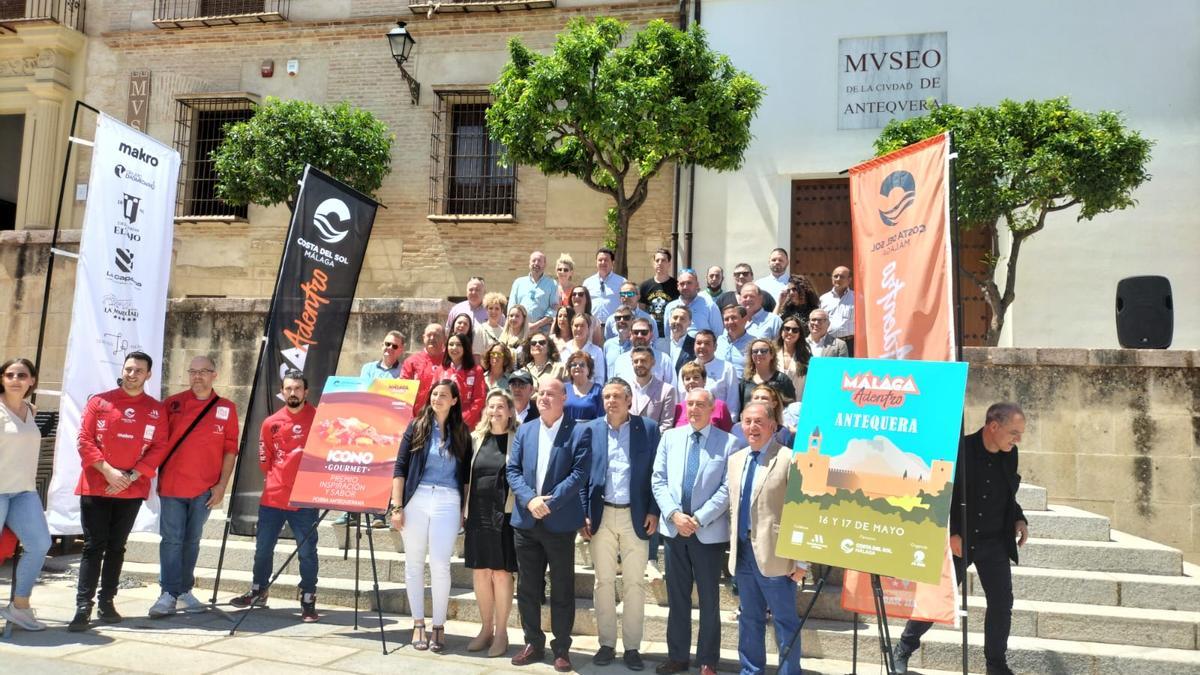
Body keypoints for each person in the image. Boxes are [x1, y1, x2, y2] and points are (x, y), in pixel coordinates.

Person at [893, 403, 1030, 675]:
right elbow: (942, 494)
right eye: (1014, 432)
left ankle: (996, 665)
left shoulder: (1010, 454)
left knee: (1002, 604)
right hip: (960, 540)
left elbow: (1008, 492)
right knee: (935, 598)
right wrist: (953, 531)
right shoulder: (960, 451)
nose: (1018, 439)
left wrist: (1019, 517)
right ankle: (903, 649)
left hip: (995, 542)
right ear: (993, 426)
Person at [70, 351, 169, 632]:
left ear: (148, 374)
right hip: (96, 484)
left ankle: (107, 601)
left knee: (116, 546)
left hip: (131, 488)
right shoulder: (100, 401)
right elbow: (84, 440)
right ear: (122, 370)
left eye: (139, 370)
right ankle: (82, 606)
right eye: (128, 369)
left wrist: (131, 475)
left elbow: (159, 447)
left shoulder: (156, 409)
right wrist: (109, 472)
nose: (132, 374)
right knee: (93, 546)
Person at [506, 377, 590, 671]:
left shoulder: (579, 432)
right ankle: (533, 642)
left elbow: (579, 474)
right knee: (528, 587)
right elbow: (513, 470)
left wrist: (549, 504)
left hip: (559, 523)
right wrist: (531, 500)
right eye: (540, 393)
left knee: (563, 588)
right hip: (526, 521)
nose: (543, 398)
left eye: (550, 393)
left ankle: (562, 648)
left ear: (564, 397)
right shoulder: (526, 430)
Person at [651, 388, 735, 675]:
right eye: (690, 404)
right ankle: (677, 656)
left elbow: (727, 489)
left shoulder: (729, 443)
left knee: (709, 599)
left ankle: (708, 660)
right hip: (675, 532)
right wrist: (675, 515)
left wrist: (697, 519)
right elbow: (658, 479)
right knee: (677, 597)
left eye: (701, 404)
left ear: (712, 408)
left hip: (707, 534)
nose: (695, 409)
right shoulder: (670, 438)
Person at [581, 378, 661, 670]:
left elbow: (656, 473)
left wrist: (653, 510)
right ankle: (606, 644)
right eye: (606, 397)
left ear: (629, 400)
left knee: (634, 584)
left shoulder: (648, 429)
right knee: (603, 582)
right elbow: (582, 475)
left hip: (635, 516)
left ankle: (632, 647)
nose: (611, 401)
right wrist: (583, 513)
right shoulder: (590, 429)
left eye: (616, 396)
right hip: (601, 516)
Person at [150, 356, 240, 618]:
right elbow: (156, 440)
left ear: (215, 375)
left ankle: (184, 590)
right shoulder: (173, 404)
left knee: (192, 541)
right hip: (173, 486)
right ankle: (168, 593)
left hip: (205, 489)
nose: (197, 376)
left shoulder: (227, 408)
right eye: (193, 371)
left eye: (204, 372)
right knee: (172, 540)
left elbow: (230, 450)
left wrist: (222, 486)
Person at [229, 371, 320, 623]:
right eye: (289, 388)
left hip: (304, 500)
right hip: (273, 499)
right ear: (283, 391)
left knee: (307, 553)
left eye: (298, 388)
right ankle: (259, 591)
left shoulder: (318, 418)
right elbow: (264, 459)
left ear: (306, 392)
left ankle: (308, 597)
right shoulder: (271, 422)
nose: (293, 393)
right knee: (263, 549)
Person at [391, 379, 472, 653]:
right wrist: (397, 506)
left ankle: (438, 625)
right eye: (434, 394)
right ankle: (418, 624)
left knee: (440, 563)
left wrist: (465, 509)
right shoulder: (416, 426)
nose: (437, 398)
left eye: (444, 395)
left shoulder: (462, 432)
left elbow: (466, 477)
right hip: (417, 499)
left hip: (448, 500)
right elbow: (400, 466)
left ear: (454, 401)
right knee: (414, 564)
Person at [727, 403, 808, 675]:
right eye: (747, 421)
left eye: (759, 421)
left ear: (773, 426)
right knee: (749, 621)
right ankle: (751, 671)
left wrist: (802, 561)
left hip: (776, 555)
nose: (753, 427)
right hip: (743, 555)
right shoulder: (736, 460)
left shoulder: (788, 458)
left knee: (785, 623)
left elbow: (800, 511)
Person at [465, 390, 520, 657]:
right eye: (491, 406)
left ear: (510, 411)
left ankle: (502, 633)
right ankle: (485, 629)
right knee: (480, 572)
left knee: (500, 573)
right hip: (478, 513)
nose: (495, 411)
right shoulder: (476, 439)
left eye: (501, 406)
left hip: (505, 514)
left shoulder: (517, 439)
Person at [0, 358, 52, 631]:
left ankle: (20, 607)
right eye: (10, 374)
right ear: (2, 379)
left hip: (23, 492)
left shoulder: (30, 409)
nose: (15, 379)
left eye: (22, 375)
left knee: (40, 544)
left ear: (32, 380)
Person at [691, 330, 741, 419]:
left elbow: (733, 403)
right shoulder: (686, 369)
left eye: (707, 343)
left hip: (718, 422)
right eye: (698, 343)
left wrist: (729, 424)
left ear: (715, 347)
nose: (702, 346)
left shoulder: (727, 368)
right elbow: (681, 399)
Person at [614, 318, 676, 389]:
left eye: (644, 332)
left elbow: (673, 388)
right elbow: (615, 388)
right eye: (636, 332)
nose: (639, 335)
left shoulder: (664, 360)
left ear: (651, 335)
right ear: (630, 335)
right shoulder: (620, 361)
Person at [672, 362, 733, 433]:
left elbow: (727, 435)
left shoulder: (719, 406)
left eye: (696, 377)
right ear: (683, 383)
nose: (691, 381)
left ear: (704, 380)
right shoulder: (678, 408)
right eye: (687, 379)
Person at [509, 251, 558, 334]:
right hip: (520, 330)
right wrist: (523, 325)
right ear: (529, 263)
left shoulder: (552, 283)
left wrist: (536, 325)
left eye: (539, 261)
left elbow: (554, 308)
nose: (536, 263)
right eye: (533, 260)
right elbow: (511, 307)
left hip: (542, 331)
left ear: (544, 264)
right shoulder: (518, 283)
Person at [401, 323, 447, 412]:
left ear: (444, 339)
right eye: (429, 335)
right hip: (418, 416)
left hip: (443, 416)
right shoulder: (411, 361)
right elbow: (404, 389)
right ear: (423, 338)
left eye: (436, 335)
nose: (432, 338)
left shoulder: (450, 361)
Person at [732, 385, 796, 449]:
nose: (759, 401)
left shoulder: (782, 433)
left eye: (764, 398)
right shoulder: (737, 429)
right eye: (756, 398)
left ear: (774, 404)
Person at [740, 339, 796, 411]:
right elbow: (741, 408)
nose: (759, 354)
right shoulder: (745, 380)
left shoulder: (783, 380)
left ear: (772, 355)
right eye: (755, 351)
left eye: (764, 351)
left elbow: (790, 409)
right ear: (751, 356)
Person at [663, 269, 722, 336]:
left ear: (697, 285)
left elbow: (719, 335)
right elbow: (667, 337)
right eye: (682, 283)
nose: (685, 287)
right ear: (677, 286)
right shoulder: (670, 307)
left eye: (689, 283)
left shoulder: (710, 306)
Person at [445, 332, 486, 428]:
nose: (454, 347)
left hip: (467, 425)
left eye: (459, 345)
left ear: (465, 348)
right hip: (444, 423)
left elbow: (479, 399)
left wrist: (463, 419)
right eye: (451, 344)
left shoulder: (476, 370)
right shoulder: (441, 369)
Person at [639, 248, 679, 336]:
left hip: (670, 333)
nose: (660, 263)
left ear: (669, 263)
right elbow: (641, 311)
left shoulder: (677, 286)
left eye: (663, 260)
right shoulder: (645, 286)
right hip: (650, 333)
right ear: (654, 263)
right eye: (657, 260)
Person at [583, 247, 627, 324]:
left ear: (612, 262)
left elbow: (627, 303)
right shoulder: (588, 283)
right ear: (596, 262)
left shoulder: (622, 282)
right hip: (593, 326)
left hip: (614, 325)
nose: (603, 262)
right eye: (600, 260)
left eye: (606, 260)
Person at [561, 313, 607, 385]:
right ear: (571, 327)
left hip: (590, 394)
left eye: (582, 326)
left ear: (588, 329)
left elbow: (599, 378)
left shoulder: (597, 351)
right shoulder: (563, 350)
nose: (579, 329)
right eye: (576, 326)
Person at [821, 266, 855, 355]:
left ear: (849, 279)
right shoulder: (823, 299)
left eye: (842, 277)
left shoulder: (857, 298)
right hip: (829, 343)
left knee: (848, 369)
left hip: (850, 343)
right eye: (835, 276)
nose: (838, 279)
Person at [775, 315, 812, 399]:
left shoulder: (806, 357)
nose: (790, 332)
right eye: (787, 328)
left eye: (795, 330)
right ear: (781, 331)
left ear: (800, 334)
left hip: (797, 405)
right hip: (775, 404)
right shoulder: (772, 353)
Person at [564, 351, 604, 422]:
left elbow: (601, 418)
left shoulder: (598, 390)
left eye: (582, 365)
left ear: (588, 369)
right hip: (566, 431)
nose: (577, 367)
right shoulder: (563, 389)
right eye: (574, 365)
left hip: (590, 431)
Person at [656, 305, 696, 375]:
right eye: (675, 318)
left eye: (682, 319)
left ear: (689, 323)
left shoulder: (695, 345)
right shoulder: (658, 344)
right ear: (669, 320)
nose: (677, 321)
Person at [717, 305, 754, 380]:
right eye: (726, 319)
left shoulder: (753, 343)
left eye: (734, 318)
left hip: (742, 387)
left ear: (745, 319)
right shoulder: (718, 340)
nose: (730, 322)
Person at [603, 308, 635, 378]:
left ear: (632, 320)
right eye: (618, 318)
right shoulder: (608, 345)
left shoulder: (637, 344)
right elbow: (604, 374)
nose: (621, 320)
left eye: (626, 318)